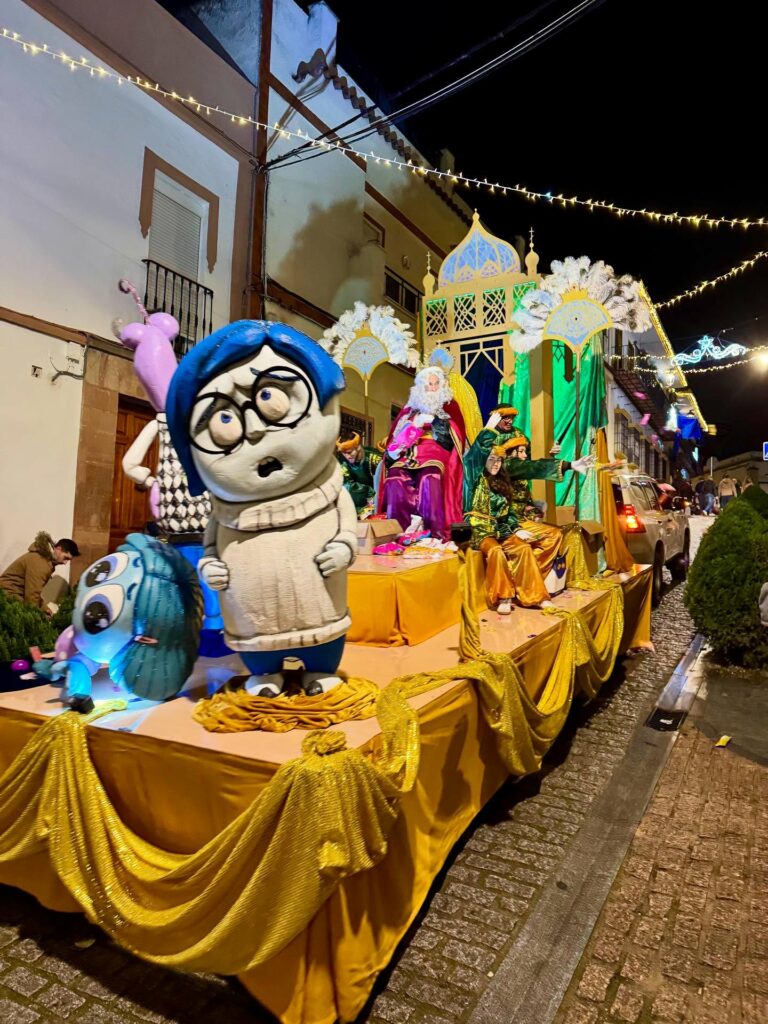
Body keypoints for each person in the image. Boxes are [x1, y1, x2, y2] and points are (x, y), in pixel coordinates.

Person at [465, 437, 593, 611]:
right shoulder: (476, 478)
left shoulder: (501, 482)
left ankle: (535, 594)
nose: (495, 464)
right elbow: (532, 467)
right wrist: (568, 465)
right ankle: (504, 597)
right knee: (496, 551)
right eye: (492, 460)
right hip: (480, 530)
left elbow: (508, 510)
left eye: (498, 460)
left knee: (525, 548)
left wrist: (518, 527)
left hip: (503, 528)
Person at [379, 366, 466, 539]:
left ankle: (434, 533)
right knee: (395, 478)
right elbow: (394, 445)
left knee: (430, 477)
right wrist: (411, 430)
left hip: (437, 453)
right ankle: (399, 533)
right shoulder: (408, 412)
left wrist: (435, 421)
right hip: (407, 454)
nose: (432, 388)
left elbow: (454, 439)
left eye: (435, 384)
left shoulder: (449, 409)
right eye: (428, 384)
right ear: (420, 388)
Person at [0, 533, 79, 611]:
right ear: (58, 549)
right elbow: (32, 597)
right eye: (66, 558)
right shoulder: (40, 562)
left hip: (12, 595)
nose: (65, 563)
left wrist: (44, 608)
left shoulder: (44, 559)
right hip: (6, 597)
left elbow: (34, 593)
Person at [335, 432, 382, 514]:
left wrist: (374, 494)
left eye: (349, 452)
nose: (347, 456)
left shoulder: (373, 457)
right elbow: (346, 484)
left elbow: (385, 475)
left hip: (378, 495)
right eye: (344, 453)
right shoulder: (342, 461)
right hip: (362, 495)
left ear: (358, 447)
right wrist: (368, 491)